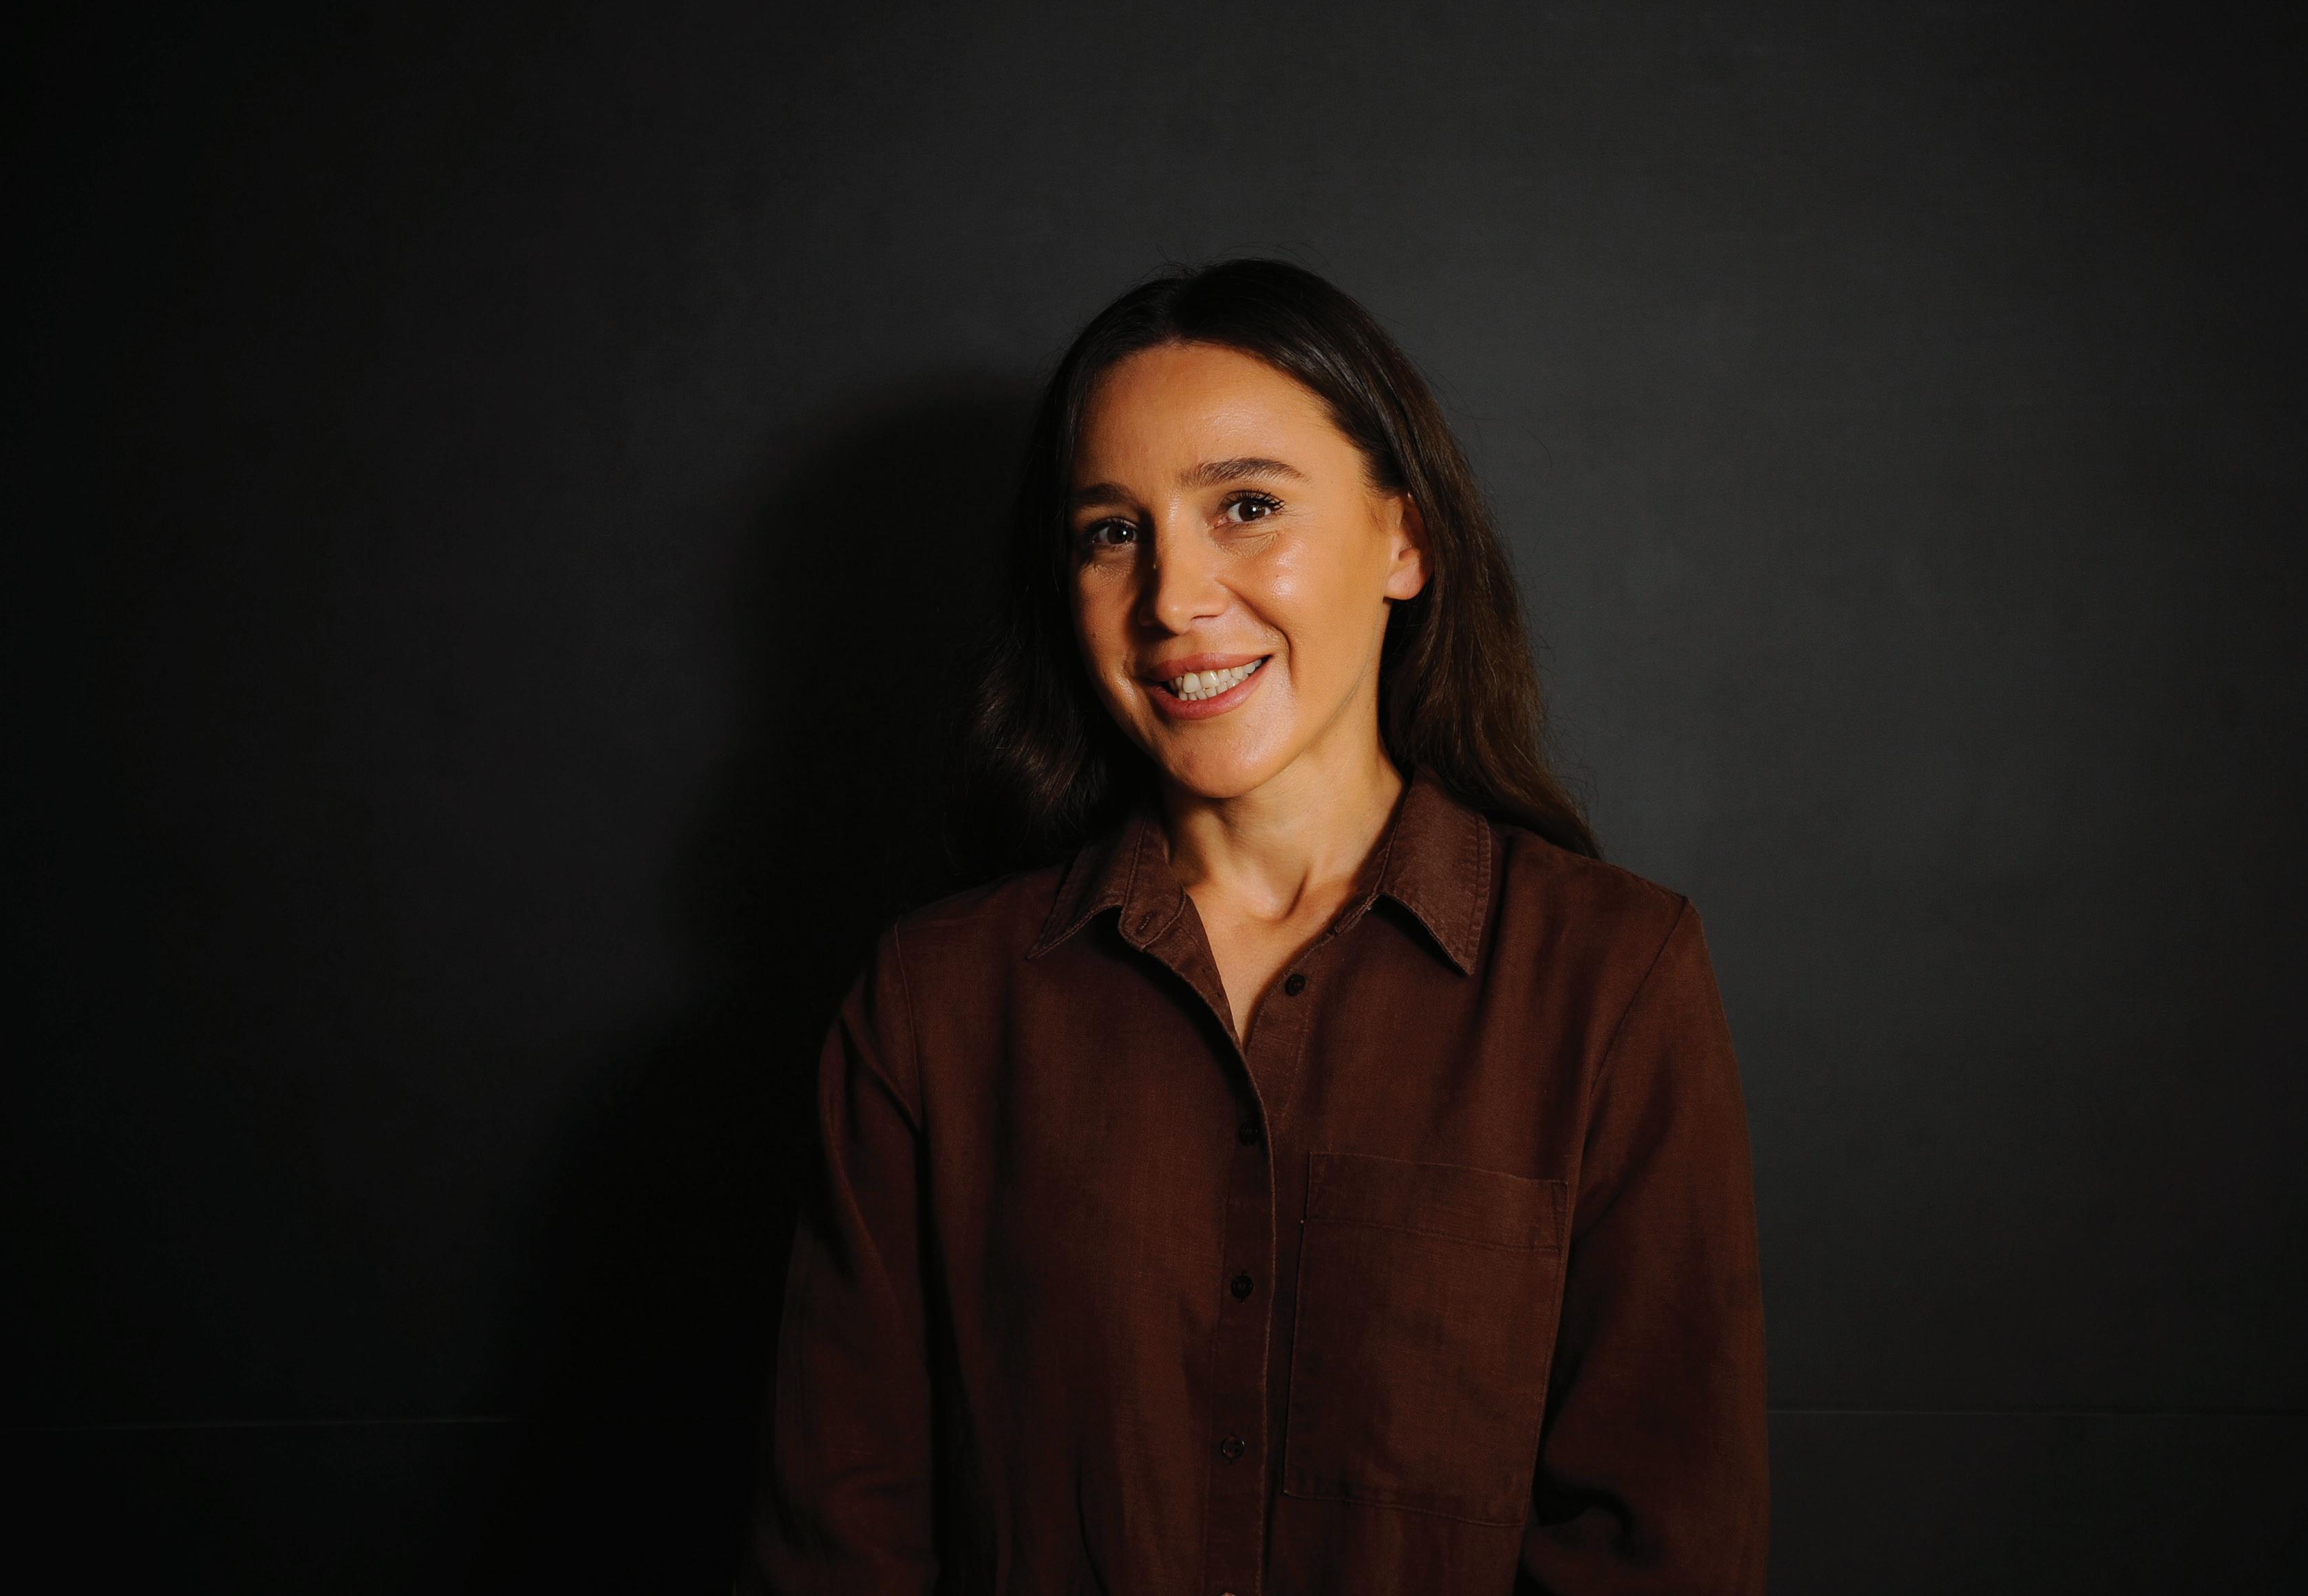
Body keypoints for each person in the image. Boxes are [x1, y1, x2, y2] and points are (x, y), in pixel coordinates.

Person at [735, 259, 1767, 1593]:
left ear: (1406, 540)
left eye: (1247, 506)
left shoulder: (1612, 977)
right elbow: (841, 1549)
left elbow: (1663, 1544)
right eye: (1113, 531)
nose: (1172, 597)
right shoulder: (933, 1004)